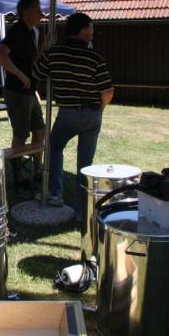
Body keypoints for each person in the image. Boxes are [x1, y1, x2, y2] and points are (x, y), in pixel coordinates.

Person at [33, 12, 113, 214]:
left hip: (67, 113)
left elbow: (36, 73)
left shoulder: (54, 53)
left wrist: (44, 49)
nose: (93, 33)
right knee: (85, 162)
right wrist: (100, 108)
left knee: (54, 148)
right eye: (91, 29)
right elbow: (108, 91)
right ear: (83, 30)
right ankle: (82, 208)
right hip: (92, 114)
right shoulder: (94, 57)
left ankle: (56, 194)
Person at [0, 0, 46, 191]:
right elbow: (0, 55)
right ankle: (18, 174)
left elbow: (33, 60)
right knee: (21, 133)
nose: (41, 13)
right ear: (25, 13)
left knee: (40, 131)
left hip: (30, 92)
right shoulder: (17, 30)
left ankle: (37, 170)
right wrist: (19, 74)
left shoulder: (33, 32)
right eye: (37, 9)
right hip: (17, 92)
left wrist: (45, 47)